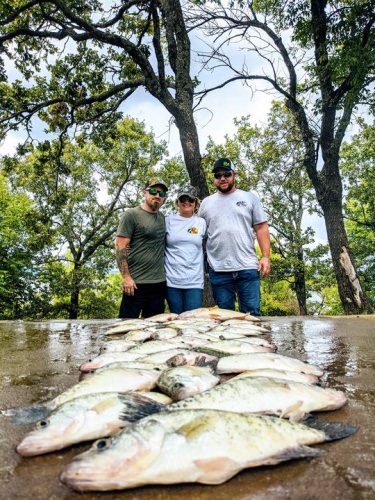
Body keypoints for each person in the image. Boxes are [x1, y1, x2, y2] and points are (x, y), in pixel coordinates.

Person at [198, 157, 271, 316]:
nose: (222, 178)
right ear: (214, 179)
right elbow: (197, 233)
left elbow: (261, 227)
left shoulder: (249, 198)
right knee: (224, 318)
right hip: (218, 269)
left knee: (251, 315)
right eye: (218, 176)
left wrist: (265, 257)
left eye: (226, 174)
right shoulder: (206, 203)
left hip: (247, 267)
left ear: (234, 174)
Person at [115, 177, 168, 318]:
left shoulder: (163, 218)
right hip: (135, 284)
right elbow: (120, 246)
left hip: (159, 284)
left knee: (154, 330)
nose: (157, 196)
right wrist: (126, 277)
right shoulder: (131, 215)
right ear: (144, 193)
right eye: (153, 191)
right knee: (126, 329)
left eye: (161, 194)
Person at [165, 185, 207, 314]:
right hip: (171, 281)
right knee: (175, 318)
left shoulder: (201, 223)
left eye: (191, 199)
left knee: (193, 320)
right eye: (183, 199)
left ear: (196, 203)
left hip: (194, 281)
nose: (187, 202)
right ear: (177, 202)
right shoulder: (167, 221)